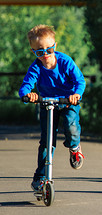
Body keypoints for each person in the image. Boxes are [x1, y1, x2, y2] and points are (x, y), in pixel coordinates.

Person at [19, 24, 86, 191]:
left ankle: (75, 147)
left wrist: (76, 95)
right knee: (47, 142)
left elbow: (80, 81)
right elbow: (25, 86)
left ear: (54, 46)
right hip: (47, 104)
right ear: (33, 51)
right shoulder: (36, 67)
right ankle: (41, 178)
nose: (45, 55)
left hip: (68, 102)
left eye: (48, 50)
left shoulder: (65, 62)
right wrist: (29, 95)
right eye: (39, 52)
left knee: (71, 125)